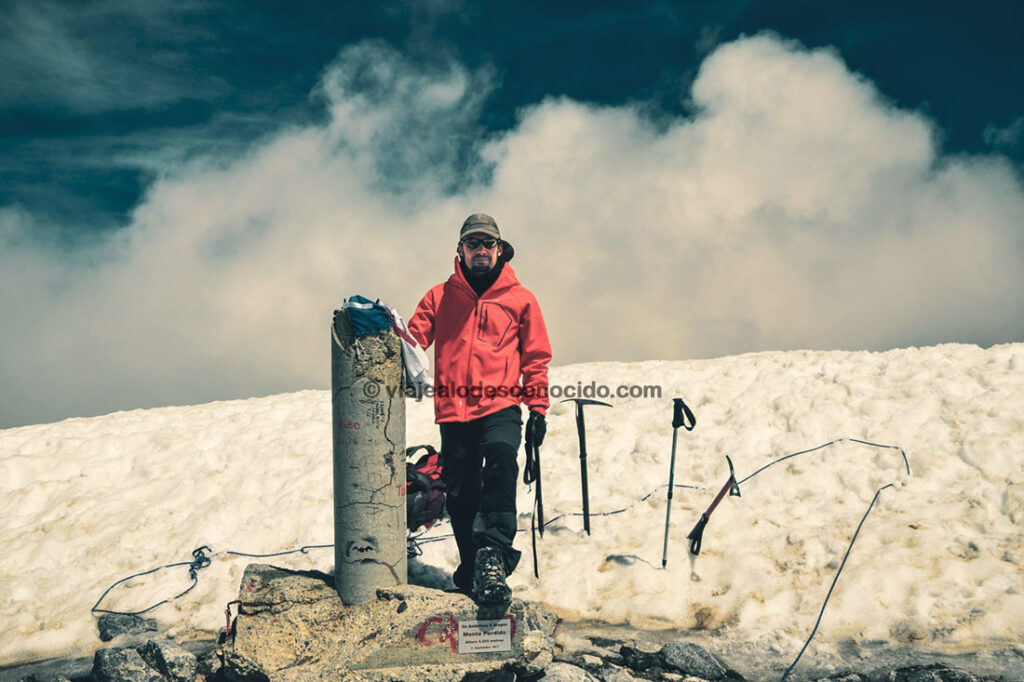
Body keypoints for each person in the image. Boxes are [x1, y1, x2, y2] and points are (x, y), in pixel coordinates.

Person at [408, 213, 552, 607]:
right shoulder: (439, 296)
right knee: (460, 490)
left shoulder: (521, 299)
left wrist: (537, 408)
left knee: (502, 460)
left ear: (500, 249)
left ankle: (494, 553)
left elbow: (536, 357)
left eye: (488, 244)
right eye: (473, 244)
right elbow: (411, 341)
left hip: (501, 404)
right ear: (460, 250)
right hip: (454, 410)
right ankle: (473, 567)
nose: (481, 250)